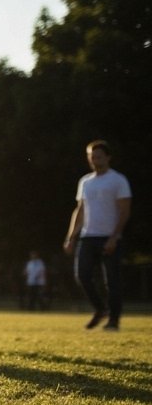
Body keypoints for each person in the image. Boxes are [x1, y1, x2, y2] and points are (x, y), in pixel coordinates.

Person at [63, 140, 132, 331]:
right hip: (88, 236)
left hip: (109, 237)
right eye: (92, 156)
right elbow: (80, 210)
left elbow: (124, 211)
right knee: (82, 275)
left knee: (112, 281)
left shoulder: (118, 180)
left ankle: (114, 321)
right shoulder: (85, 182)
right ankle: (101, 309)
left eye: (98, 156)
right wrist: (71, 237)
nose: (95, 160)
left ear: (108, 157)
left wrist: (114, 237)